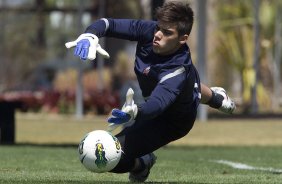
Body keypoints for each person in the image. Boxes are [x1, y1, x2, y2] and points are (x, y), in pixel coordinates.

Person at [66, 1, 236, 182]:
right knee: (190, 85)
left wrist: (138, 111)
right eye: (159, 28)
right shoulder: (150, 31)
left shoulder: (177, 70)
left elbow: (158, 104)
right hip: (173, 88)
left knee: (109, 157)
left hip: (172, 121)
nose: (158, 35)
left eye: (167, 33)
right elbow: (109, 24)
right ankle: (216, 97)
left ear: (183, 38)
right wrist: (90, 34)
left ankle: (142, 164)